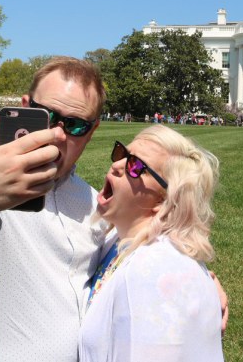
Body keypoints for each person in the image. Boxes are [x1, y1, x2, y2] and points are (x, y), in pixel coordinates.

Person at [0, 57, 227, 361]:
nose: (57, 133)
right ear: (26, 106)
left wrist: (198, 286)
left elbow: (137, 255)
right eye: (47, 115)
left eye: (75, 125)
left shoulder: (94, 206)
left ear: (92, 131)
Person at [79, 126, 223, 361]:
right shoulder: (119, 241)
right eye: (122, 154)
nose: (117, 165)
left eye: (135, 166)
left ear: (163, 200)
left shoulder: (153, 272)